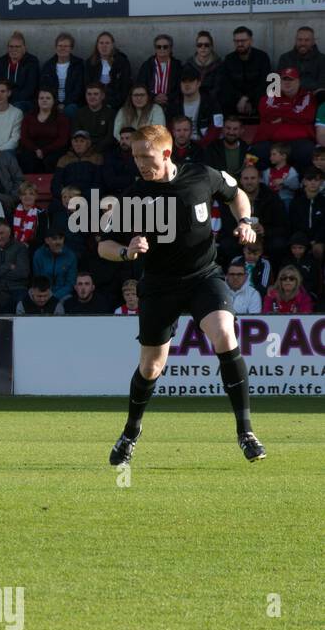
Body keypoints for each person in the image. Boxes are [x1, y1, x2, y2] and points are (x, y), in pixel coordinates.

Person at [98, 123, 265, 465]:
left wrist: (245, 222)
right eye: (135, 156)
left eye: (146, 156)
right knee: (151, 367)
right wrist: (126, 252)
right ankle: (131, 432)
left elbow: (236, 194)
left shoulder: (202, 175)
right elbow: (104, 245)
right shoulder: (131, 196)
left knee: (223, 334)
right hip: (159, 285)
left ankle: (245, 431)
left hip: (204, 276)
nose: (140, 162)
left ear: (167, 153)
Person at [219, 27, 272, 124]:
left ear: (251, 41)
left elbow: (265, 83)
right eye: (236, 41)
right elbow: (226, 84)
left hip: (257, 100)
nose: (239, 44)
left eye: (243, 41)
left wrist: (247, 98)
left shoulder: (262, 57)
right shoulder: (229, 59)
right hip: (235, 101)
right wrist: (240, 98)